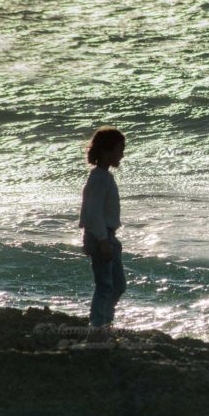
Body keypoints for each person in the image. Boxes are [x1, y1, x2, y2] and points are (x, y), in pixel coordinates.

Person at [79, 126, 126, 333]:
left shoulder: (104, 177)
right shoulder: (99, 178)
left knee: (117, 285)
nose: (121, 155)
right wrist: (103, 240)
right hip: (101, 236)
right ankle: (98, 327)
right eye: (119, 150)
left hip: (107, 235)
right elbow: (93, 213)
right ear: (107, 151)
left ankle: (105, 323)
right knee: (106, 285)